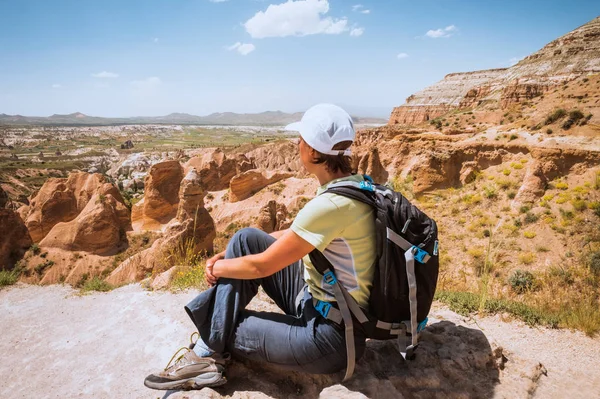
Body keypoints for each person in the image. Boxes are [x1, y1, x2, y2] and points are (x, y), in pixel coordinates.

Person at [144, 103, 376, 390]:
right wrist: (229, 256)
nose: (297, 144)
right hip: (320, 304)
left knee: (224, 322)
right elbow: (295, 234)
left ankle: (206, 354)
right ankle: (210, 344)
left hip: (328, 339)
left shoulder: (330, 205)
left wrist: (217, 266)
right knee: (246, 238)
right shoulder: (357, 186)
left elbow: (261, 266)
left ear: (315, 153)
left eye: (302, 139)